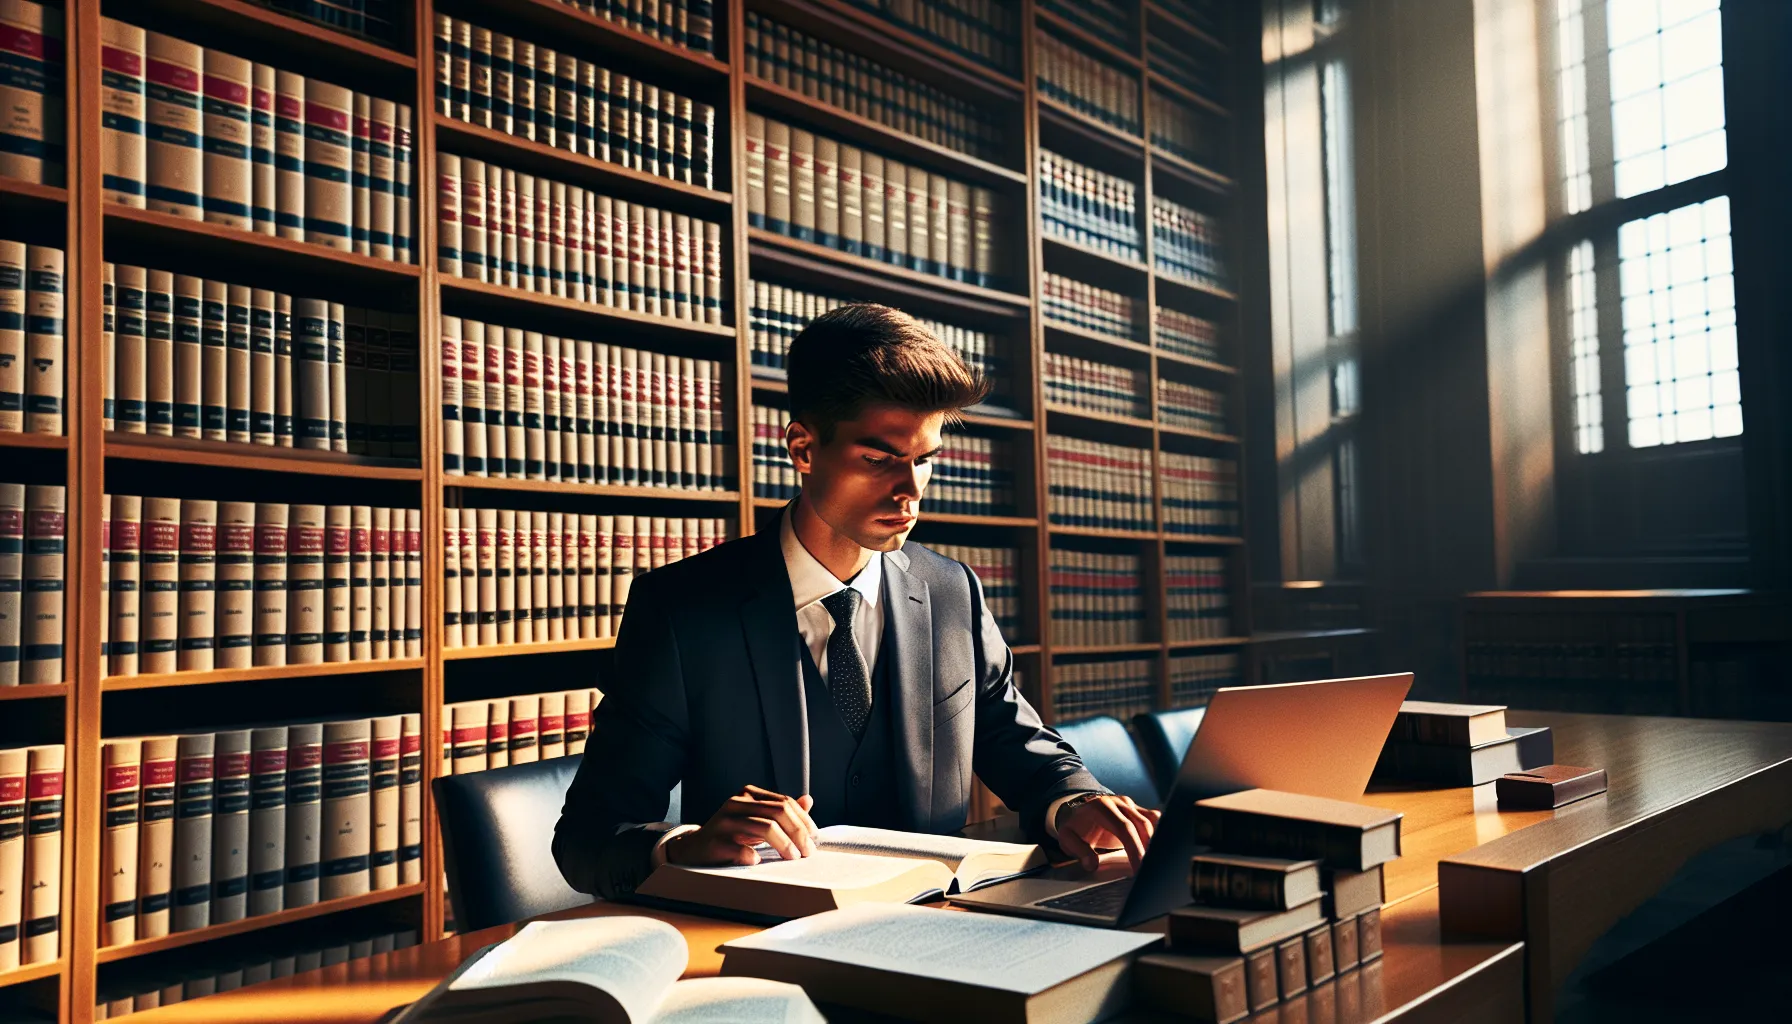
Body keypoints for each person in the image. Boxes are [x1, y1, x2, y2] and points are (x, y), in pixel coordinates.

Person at [554, 303, 1158, 899]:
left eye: (924, 461)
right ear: (802, 448)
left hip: (941, 929)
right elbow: (588, 837)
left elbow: (1013, 738)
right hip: (756, 940)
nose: (909, 491)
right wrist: (683, 844)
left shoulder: (952, 593)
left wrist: (1074, 800)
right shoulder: (681, 611)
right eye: (878, 459)